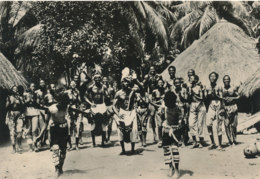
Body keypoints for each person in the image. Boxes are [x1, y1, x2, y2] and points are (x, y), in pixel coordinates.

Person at [113, 68, 141, 155]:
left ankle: (133, 149)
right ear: (121, 83)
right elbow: (113, 106)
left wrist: (135, 79)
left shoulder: (132, 91)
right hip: (122, 112)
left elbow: (140, 87)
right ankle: (123, 149)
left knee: (133, 130)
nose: (125, 83)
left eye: (127, 82)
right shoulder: (118, 93)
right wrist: (118, 114)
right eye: (124, 82)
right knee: (120, 131)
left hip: (131, 112)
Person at [46, 91, 70, 177]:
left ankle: (60, 167)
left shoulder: (66, 107)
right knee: (55, 148)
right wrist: (42, 134)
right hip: (55, 129)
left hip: (64, 129)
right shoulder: (52, 108)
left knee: (63, 151)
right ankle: (56, 168)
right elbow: (46, 121)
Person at [162, 86, 183, 178]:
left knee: (175, 149)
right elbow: (161, 120)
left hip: (175, 132)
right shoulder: (164, 109)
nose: (168, 103)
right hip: (166, 131)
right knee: (166, 149)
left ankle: (177, 169)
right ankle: (171, 167)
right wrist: (164, 124)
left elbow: (181, 121)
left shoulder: (178, 109)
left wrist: (176, 128)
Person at [84, 73, 109, 147]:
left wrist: (107, 94)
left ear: (100, 78)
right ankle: (94, 142)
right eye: (96, 78)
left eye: (99, 78)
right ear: (94, 79)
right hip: (94, 106)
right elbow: (85, 96)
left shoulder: (104, 87)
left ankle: (102, 142)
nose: (97, 79)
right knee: (93, 123)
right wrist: (91, 103)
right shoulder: (91, 87)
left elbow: (107, 95)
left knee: (103, 123)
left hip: (102, 105)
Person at [205, 72, 225, 150]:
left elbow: (221, 97)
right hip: (211, 104)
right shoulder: (207, 87)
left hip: (218, 104)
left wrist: (215, 94)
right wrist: (207, 94)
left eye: (214, 76)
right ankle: (213, 143)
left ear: (216, 78)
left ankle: (220, 144)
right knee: (208, 124)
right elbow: (205, 98)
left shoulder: (219, 86)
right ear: (209, 78)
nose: (212, 78)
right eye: (211, 76)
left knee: (218, 125)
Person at [188, 75, 207, 148]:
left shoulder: (199, 87)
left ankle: (201, 141)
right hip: (193, 105)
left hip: (200, 104)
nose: (191, 80)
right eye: (190, 78)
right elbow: (188, 97)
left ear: (196, 80)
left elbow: (202, 98)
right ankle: (194, 141)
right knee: (191, 124)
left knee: (200, 124)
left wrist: (194, 94)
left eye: (193, 79)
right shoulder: (189, 87)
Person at [5, 86, 25, 153]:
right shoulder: (9, 97)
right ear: (11, 90)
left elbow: (23, 107)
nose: (15, 90)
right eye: (14, 89)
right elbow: (6, 107)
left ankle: (19, 146)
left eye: (16, 89)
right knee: (12, 132)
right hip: (11, 114)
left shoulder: (20, 97)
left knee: (20, 130)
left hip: (19, 114)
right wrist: (10, 102)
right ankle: (13, 148)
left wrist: (20, 102)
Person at [143, 66, 159, 142]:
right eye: (151, 70)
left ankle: (158, 134)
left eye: (153, 70)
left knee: (159, 115)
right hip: (150, 96)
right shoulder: (147, 77)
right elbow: (144, 86)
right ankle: (154, 134)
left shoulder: (158, 76)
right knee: (152, 116)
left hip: (157, 95)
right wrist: (147, 94)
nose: (152, 71)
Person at [222, 75, 239, 146]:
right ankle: (230, 141)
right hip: (226, 107)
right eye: (225, 80)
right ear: (223, 81)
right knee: (226, 125)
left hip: (233, 107)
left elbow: (238, 96)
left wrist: (233, 98)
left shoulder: (233, 88)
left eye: (228, 80)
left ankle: (234, 140)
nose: (226, 81)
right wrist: (223, 107)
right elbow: (220, 98)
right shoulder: (221, 89)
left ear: (230, 80)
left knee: (234, 125)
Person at [65, 80, 82, 150]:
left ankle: (77, 145)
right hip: (69, 111)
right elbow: (64, 101)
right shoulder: (67, 92)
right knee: (68, 128)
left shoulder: (77, 92)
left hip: (76, 111)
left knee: (77, 128)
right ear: (70, 85)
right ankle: (70, 145)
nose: (73, 85)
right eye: (72, 84)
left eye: (74, 84)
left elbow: (80, 101)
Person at [173, 78, 190, 146]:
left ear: (181, 83)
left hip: (183, 108)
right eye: (176, 83)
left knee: (184, 125)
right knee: (176, 125)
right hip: (175, 109)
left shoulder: (184, 90)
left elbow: (186, 100)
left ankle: (184, 140)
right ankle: (178, 140)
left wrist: (180, 95)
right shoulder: (173, 90)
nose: (177, 84)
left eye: (178, 83)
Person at [24, 83, 40, 151]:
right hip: (27, 112)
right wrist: (28, 99)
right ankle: (30, 147)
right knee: (28, 130)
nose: (33, 87)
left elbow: (38, 103)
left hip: (35, 111)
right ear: (30, 87)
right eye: (32, 86)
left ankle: (35, 145)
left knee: (35, 129)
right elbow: (23, 103)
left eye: (34, 86)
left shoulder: (36, 94)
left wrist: (35, 99)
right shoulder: (25, 94)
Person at [151, 79, 166, 147]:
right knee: (159, 125)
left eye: (161, 82)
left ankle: (166, 139)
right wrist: (158, 104)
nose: (160, 84)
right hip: (158, 110)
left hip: (166, 109)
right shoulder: (155, 92)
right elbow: (151, 102)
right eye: (159, 83)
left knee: (166, 124)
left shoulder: (166, 91)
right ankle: (160, 140)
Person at [103, 76, 115, 144]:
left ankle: (109, 138)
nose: (105, 81)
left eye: (106, 80)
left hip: (110, 106)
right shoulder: (101, 89)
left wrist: (113, 105)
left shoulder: (111, 89)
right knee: (104, 123)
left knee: (110, 124)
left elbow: (113, 98)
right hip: (103, 106)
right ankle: (104, 138)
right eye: (104, 80)